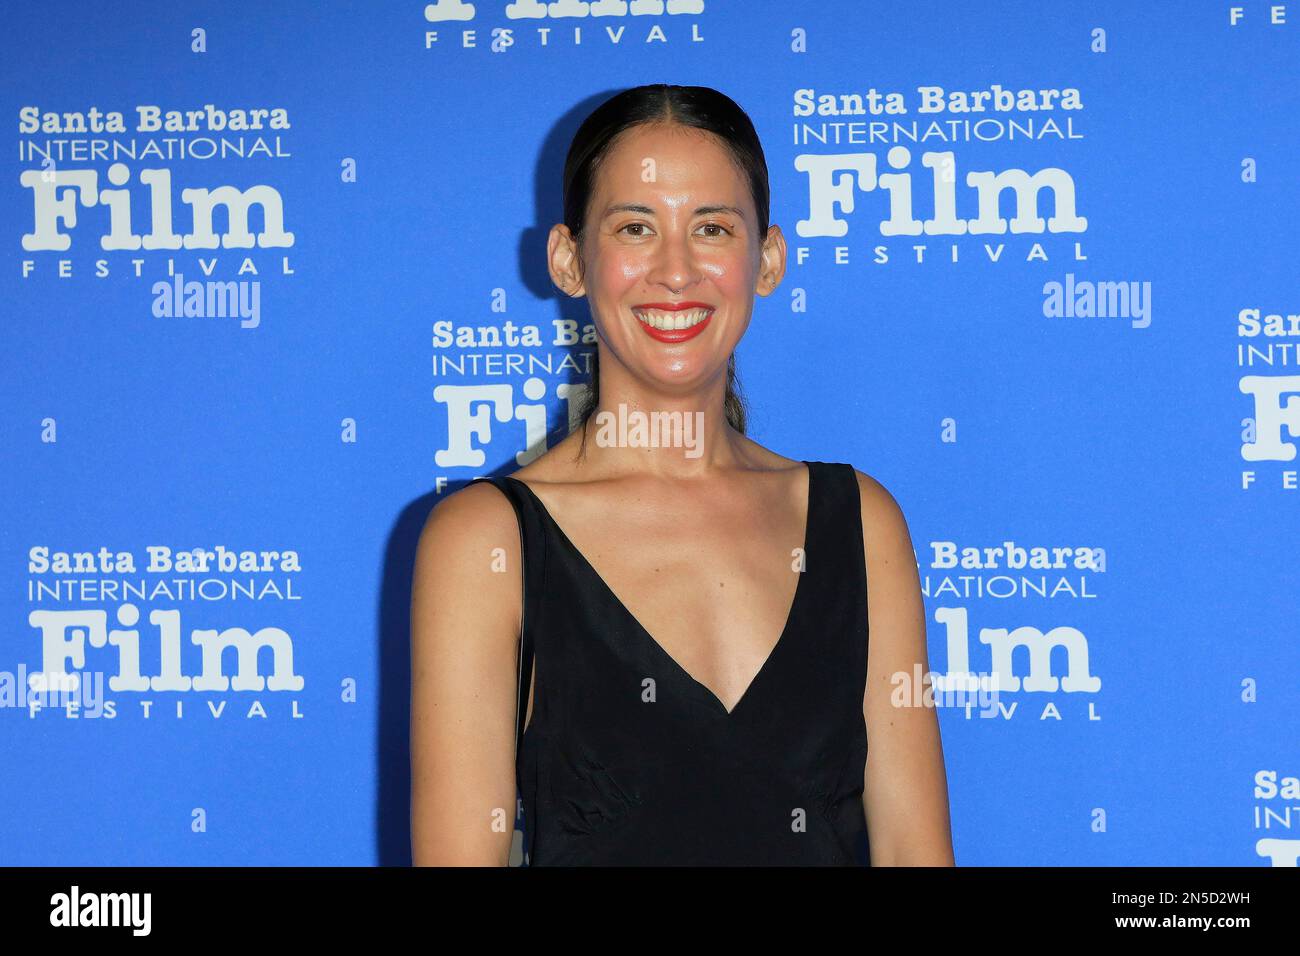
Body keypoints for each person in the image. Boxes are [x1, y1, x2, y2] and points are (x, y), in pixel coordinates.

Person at [410, 84, 954, 866]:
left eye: (712, 229)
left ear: (767, 259)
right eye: (636, 227)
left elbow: (916, 853)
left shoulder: (859, 523)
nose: (675, 271)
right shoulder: (486, 541)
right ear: (569, 258)